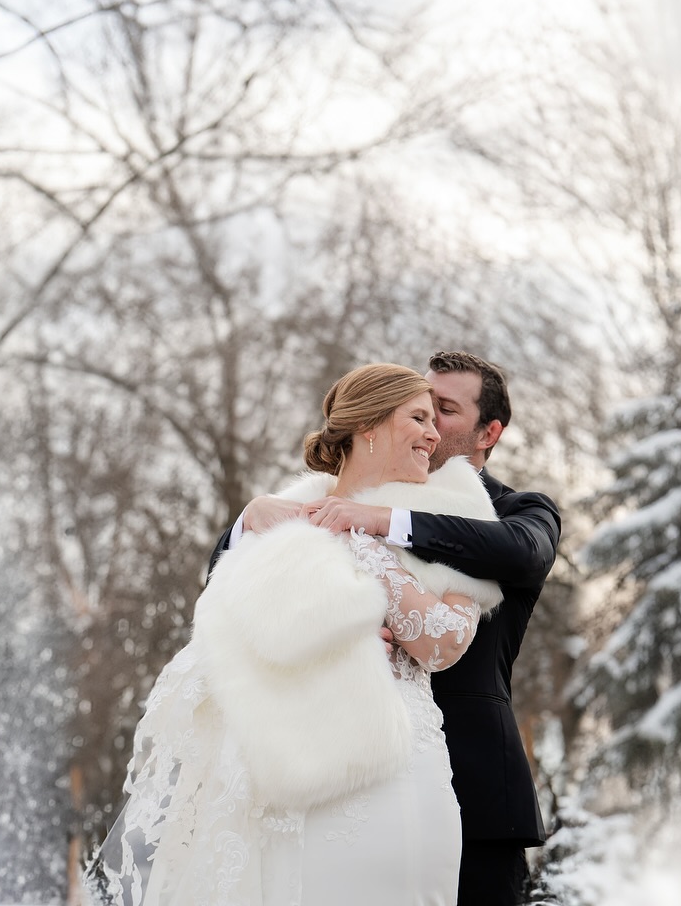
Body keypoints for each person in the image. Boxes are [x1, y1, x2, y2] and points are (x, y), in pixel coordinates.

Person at [89, 363, 506, 906]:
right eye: (419, 418)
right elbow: (228, 648)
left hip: (405, 772)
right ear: (369, 426)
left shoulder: (453, 510)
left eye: (437, 418)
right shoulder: (284, 519)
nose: (434, 434)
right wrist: (338, 637)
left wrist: (360, 537)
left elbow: (444, 642)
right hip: (296, 779)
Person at [212, 352, 561, 906]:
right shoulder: (321, 498)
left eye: (445, 409)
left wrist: (382, 523)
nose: (431, 422)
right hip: (333, 766)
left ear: (488, 433)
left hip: (471, 782)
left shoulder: (514, 511)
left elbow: (522, 554)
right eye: (420, 406)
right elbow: (233, 587)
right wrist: (246, 520)